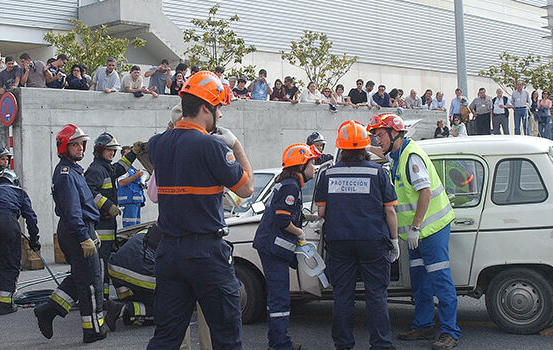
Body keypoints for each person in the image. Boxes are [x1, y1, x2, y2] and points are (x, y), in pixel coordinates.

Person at [146, 71, 254, 349]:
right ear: (207, 107)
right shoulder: (211, 147)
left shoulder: (158, 144)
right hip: (206, 254)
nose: (218, 114)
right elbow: (246, 188)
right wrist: (235, 145)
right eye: (217, 108)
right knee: (227, 336)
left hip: (169, 252)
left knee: (166, 337)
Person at [367, 113, 459, 350]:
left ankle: (450, 332)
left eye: (380, 135)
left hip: (431, 229)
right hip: (416, 233)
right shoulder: (397, 155)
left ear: (395, 133)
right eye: (376, 136)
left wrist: (416, 227)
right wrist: (360, 147)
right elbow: (380, 153)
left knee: (440, 281)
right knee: (419, 281)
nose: (378, 141)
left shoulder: (411, 157)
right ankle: (424, 325)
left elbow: (425, 192)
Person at [316, 120, 399, 350]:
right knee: (376, 295)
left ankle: (343, 344)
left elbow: (321, 212)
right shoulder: (378, 172)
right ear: (365, 147)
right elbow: (390, 210)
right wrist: (394, 241)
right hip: (373, 241)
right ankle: (381, 344)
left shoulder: (328, 174)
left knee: (342, 296)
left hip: (340, 242)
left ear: (341, 148)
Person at [35, 124, 116, 343]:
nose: (80, 148)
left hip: (82, 227)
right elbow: (72, 211)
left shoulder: (73, 170)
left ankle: (48, 310)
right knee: (91, 282)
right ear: (64, 147)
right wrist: (84, 237)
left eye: (82, 144)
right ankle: (93, 330)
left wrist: (91, 232)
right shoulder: (65, 174)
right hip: (76, 229)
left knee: (81, 277)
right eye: (75, 145)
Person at [253, 143, 319, 350]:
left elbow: (288, 212)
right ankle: (280, 344)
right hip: (274, 250)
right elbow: (282, 220)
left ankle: (279, 340)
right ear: (301, 165)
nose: (315, 167)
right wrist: (300, 233)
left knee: (278, 296)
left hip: (271, 248)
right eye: (312, 162)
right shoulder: (291, 186)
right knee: (279, 298)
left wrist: (311, 217)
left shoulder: (288, 183)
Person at [84, 132, 140, 299]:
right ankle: (101, 298)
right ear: (99, 150)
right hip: (100, 226)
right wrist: (108, 206)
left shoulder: (106, 168)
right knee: (101, 264)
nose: (112, 154)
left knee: (109, 261)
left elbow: (120, 167)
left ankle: (106, 297)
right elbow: (89, 193)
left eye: (114, 151)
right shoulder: (96, 170)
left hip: (108, 225)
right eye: (109, 150)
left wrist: (134, 153)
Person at [0, 169, 39, 315]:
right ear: (14, 181)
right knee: (10, 262)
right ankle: (5, 304)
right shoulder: (19, 192)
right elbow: (30, 217)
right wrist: (34, 240)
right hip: (7, 221)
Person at [106, 224, 160, 327]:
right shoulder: (184, 237)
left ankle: (126, 305)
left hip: (115, 265)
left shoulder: (159, 226)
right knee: (169, 309)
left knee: (142, 298)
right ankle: (125, 309)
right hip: (138, 268)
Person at [116, 146, 145, 228]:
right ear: (122, 156)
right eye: (128, 154)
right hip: (129, 202)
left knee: (137, 227)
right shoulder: (123, 169)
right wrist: (135, 176)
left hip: (136, 202)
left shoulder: (132, 169)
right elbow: (121, 182)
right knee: (130, 227)